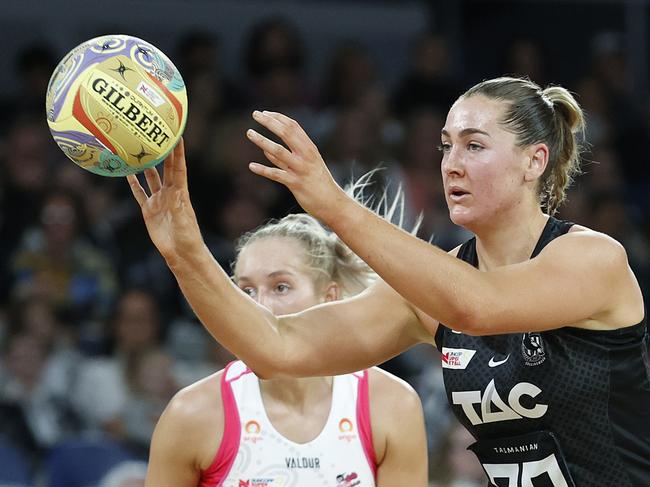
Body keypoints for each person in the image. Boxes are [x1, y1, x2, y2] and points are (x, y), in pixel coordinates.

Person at [128, 76, 650, 486]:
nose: (451, 165)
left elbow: (476, 307)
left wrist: (331, 202)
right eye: (446, 146)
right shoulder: (430, 296)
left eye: (474, 146)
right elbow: (275, 347)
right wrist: (186, 253)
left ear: (535, 161)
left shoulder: (592, 259)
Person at [142, 211, 428, 486]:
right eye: (246, 291)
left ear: (330, 297)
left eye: (281, 287)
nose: (259, 306)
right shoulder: (191, 413)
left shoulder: (391, 404)